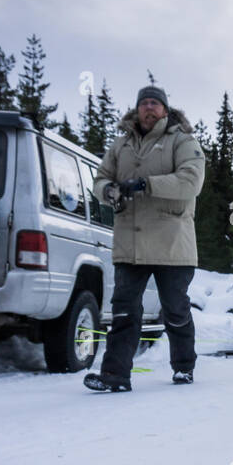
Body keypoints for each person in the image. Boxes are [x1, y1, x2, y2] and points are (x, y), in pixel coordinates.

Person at [83, 86, 205, 392]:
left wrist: (146, 185)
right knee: (124, 310)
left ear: (165, 110)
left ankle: (184, 366)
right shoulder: (121, 144)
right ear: (137, 110)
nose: (149, 108)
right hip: (131, 242)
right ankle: (115, 375)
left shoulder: (183, 141)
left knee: (175, 309)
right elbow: (99, 180)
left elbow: (191, 182)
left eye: (155, 103)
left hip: (172, 243)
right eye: (144, 103)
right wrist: (109, 191)